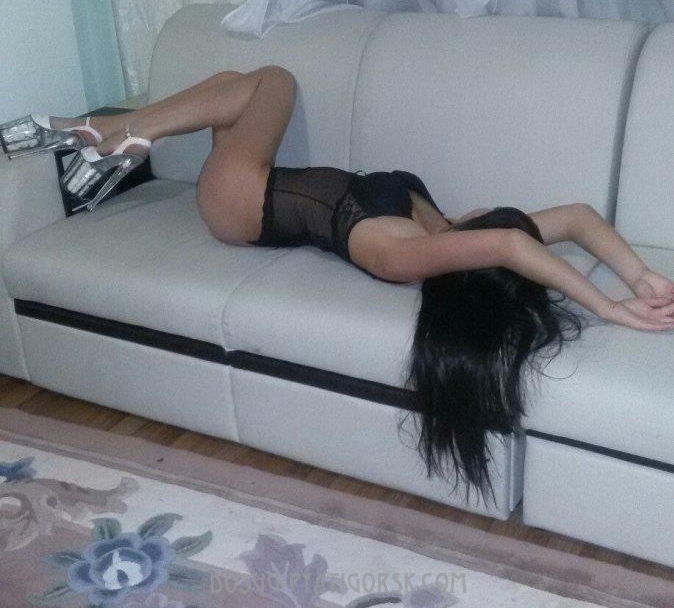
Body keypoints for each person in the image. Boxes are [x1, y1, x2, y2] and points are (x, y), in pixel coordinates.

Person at [3, 65, 673, 503]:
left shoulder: (407, 257)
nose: (495, 222)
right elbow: (576, 217)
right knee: (237, 85)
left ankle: (116, 138)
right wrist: (642, 275)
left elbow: (510, 244)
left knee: (275, 79)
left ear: (474, 269)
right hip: (248, 188)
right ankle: (98, 133)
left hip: (240, 199)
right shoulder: (446, 231)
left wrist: (610, 309)